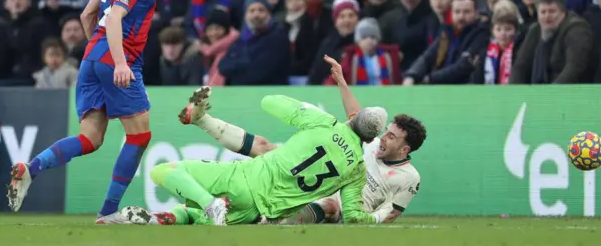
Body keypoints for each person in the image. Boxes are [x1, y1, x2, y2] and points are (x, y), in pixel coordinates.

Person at [6, 0, 172, 224]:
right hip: (117, 59)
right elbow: (113, 18)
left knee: (90, 139)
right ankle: (108, 212)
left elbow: (87, 15)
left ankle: (31, 169)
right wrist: (119, 62)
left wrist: (98, 55)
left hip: (92, 58)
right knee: (139, 136)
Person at [123, 55, 425, 225]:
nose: (385, 139)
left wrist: (303, 111)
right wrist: (343, 84)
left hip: (256, 182)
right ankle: (168, 217)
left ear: (405, 148)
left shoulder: (405, 175)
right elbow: (359, 123)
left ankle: (211, 195)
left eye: (392, 137)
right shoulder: (360, 164)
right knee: (266, 150)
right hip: (266, 206)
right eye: (384, 133)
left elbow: (271, 101)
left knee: (162, 171)